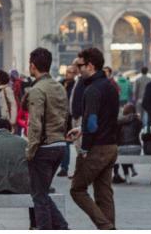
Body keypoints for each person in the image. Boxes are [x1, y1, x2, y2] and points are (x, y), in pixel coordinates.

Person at [67, 47, 120, 230]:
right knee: (104, 192)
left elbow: (92, 122)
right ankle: (109, 227)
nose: (77, 69)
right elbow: (105, 117)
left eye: (80, 65)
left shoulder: (92, 90)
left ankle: (106, 226)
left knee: (77, 189)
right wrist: (80, 129)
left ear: (90, 66)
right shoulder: (110, 86)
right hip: (111, 145)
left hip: (97, 147)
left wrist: (84, 149)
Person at [24, 47, 69, 230]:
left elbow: (35, 123)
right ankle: (63, 228)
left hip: (44, 147)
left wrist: (30, 150)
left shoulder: (37, 89)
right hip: (60, 144)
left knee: (39, 197)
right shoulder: (59, 87)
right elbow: (65, 115)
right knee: (41, 192)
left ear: (32, 66)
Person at [58, 62, 79, 177]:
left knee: (68, 143)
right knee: (61, 143)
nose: (68, 74)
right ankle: (63, 167)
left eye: (71, 72)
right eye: (67, 72)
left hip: (70, 118)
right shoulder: (60, 84)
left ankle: (65, 167)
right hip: (59, 117)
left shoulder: (75, 86)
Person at [113, 103, 141, 184]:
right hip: (137, 148)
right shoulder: (138, 121)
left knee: (121, 153)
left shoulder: (120, 122)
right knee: (125, 152)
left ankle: (127, 176)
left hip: (123, 148)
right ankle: (132, 168)